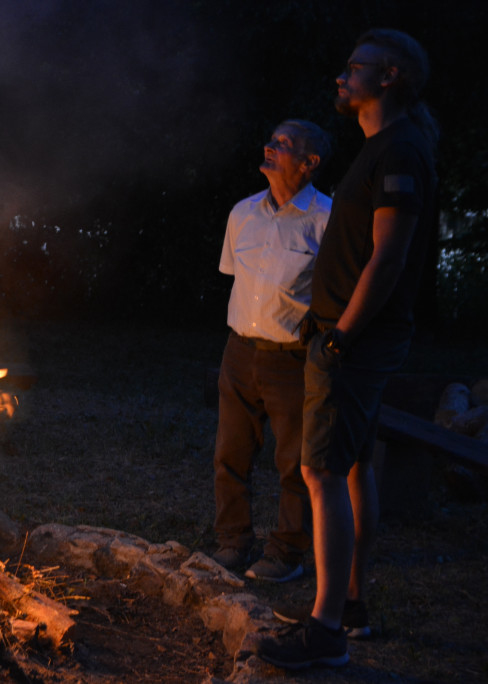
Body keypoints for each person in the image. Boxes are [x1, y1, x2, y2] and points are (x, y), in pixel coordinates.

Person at [259, 28, 439, 669]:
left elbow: (389, 257)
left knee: (321, 472)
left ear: (388, 77)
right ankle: (350, 604)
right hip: (353, 337)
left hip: (355, 340)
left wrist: (341, 335)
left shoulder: (399, 152)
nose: (342, 76)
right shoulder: (383, 148)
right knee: (356, 467)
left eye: (353, 68)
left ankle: (325, 629)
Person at [212, 120, 332, 584]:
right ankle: (232, 542)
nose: (270, 147)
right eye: (272, 140)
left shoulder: (326, 219)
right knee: (230, 453)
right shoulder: (243, 213)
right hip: (239, 350)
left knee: (294, 462)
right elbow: (234, 276)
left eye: (283, 145)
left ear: (309, 162)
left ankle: (285, 552)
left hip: (292, 357)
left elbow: (339, 290)